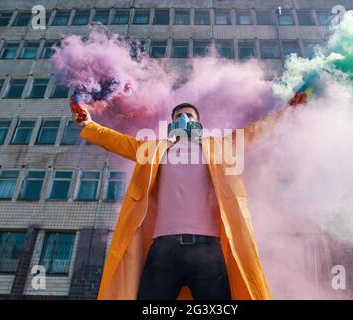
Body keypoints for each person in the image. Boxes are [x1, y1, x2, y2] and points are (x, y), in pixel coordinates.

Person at [70, 93, 305, 300]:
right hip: (163, 250)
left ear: (198, 123)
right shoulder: (154, 150)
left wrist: (287, 112)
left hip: (208, 250)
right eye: (179, 115)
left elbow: (253, 134)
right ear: (171, 123)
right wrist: (89, 124)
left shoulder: (217, 148)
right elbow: (117, 142)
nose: (184, 119)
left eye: (189, 115)